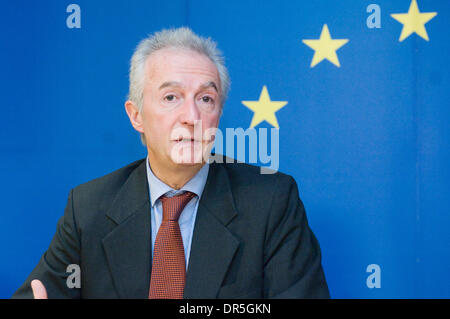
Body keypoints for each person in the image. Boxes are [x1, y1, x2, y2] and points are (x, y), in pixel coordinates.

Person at [12, 27, 329, 299]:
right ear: (136, 115)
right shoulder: (88, 208)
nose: (192, 118)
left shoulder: (272, 201)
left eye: (206, 99)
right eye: (171, 98)